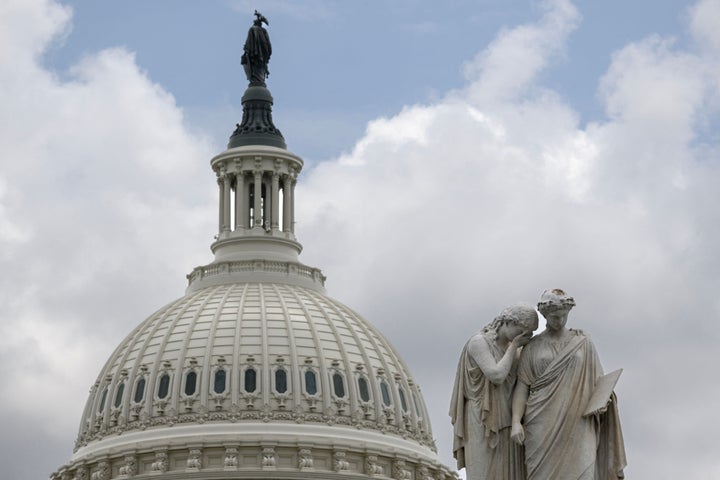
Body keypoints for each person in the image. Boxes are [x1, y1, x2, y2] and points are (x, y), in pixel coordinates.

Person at [511, 289, 627, 479]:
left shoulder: (583, 343)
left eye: (563, 316)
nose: (560, 321)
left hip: (578, 421)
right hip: (541, 424)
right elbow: (522, 388)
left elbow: (599, 382)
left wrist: (603, 401)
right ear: (545, 315)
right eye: (555, 317)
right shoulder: (532, 347)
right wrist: (516, 422)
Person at [450, 304, 538, 480]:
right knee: (485, 473)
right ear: (508, 322)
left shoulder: (517, 350)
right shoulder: (479, 342)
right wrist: (514, 347)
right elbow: (496, 375)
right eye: (522, 331)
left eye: (528, 334)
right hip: (482, 416)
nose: (525, 337)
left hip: (507, 416)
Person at [242, 11, 272, 86]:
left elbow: (248, 43)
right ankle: (259, 80)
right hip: (262, 57)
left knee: (255, 68)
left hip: (254, 55)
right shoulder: (263, 31)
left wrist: (246, 51)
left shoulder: (252, 29)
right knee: (260, 69)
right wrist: (267, 54)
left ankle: (256, 80)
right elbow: (268, 45)